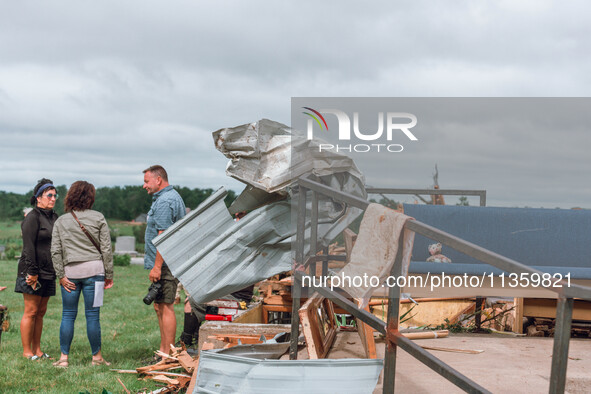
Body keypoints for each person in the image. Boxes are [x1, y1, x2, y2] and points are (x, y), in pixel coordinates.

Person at [50, 181, 113, 368]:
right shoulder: (99, 217)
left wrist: (60, 275)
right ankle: (97, 358)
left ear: (70, 196)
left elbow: (55, 251)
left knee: (68, 315)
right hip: (96, 272)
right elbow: (107, 249)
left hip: (69, 274)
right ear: (90, 197)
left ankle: (63, 359)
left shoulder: (61, 221)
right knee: (93, 316)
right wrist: (109, 274)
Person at [143, 165, 186, 356]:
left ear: (158, 180)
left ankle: (168, 354)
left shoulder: (164, 201)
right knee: (159, 305)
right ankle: (163, 351)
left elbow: (164, 236)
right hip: (165, 262)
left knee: (166, 306)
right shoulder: (171, 197)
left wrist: (157, 266)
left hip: (165, 263)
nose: (144, 186)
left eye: (146, 181)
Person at [15, 178, 59, 360]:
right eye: (50, 195)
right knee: (31, 311)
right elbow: (28, 247)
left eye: (56, 195)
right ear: (38, 198)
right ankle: (27, 352)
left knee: (41, 312)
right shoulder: (32, 218)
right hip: (32, 271)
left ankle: (38, 350)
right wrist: (32, 272)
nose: (53, 198)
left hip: (49, 271)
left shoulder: (54, 217)